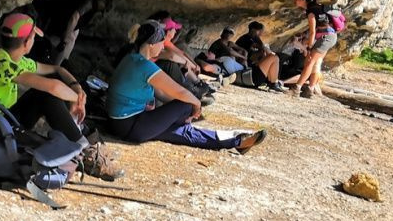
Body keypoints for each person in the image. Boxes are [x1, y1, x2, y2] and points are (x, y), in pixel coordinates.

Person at [0, 12, 122, 179]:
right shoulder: (2, 63)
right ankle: (84, 149)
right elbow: (53, 87)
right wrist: (78, 99)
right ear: (26, 42)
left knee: (53, 87)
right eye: (33, 37)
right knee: (45, 95)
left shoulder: (10, 58)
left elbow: (57, 69)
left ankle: (81, 141)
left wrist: (78, 89)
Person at [105, 20, 266, 153]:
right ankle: (189, 122)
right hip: (132, 126)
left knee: (184, 133)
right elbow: (181, 92)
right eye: (162, 43)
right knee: (186, 103)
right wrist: (195, 106)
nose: (163, 47)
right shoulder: (144, 66)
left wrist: (173, 113)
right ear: (152, 44)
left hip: (123, 124)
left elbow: (160, 93)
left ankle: (236, 141)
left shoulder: (132, 59)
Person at [29, 0, 110, 66]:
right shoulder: (89, 2)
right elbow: (74, 18)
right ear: (102, 0)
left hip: (66, 22)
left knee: (71, 39)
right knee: (65, 41)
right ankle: (55, 67)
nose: (100, 10)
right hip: (56, 13)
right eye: (102, 8)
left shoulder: (92, 4)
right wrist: (64, 41)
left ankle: (58, 64)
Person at [147, 11, 217, 104]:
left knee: (177, 60)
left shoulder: (162, 42)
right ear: (167, 32)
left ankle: (195, 88)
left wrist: (193, 65)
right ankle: (192, 90)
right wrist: (187, 64)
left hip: (154, 74)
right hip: (152, 74)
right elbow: (171, 55)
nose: (175, 31)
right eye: (173, 29)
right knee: (170, 63)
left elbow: (181, 54)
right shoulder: (157, 44)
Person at [292, 0, 338, 97]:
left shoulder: (311, 12)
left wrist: (309, 46)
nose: (295, 0)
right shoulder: (317, 7)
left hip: (326, 38)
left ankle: (297, 88)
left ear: (303, 0)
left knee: (309, 62)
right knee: (316, 63)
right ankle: (310, 90)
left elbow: (313, 32)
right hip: (330, 36)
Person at [235, 21, 285, 92]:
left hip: (252, 72)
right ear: (253, 30)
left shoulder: (255, 38)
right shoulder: (246, 39)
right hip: (247, 72)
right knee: (274, 58)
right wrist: (265, 50)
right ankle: (273, 83)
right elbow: (259, 51)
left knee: (272, 57)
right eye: (259, 31)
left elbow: (262, 52)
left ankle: (272, 82)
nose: (260, 34)